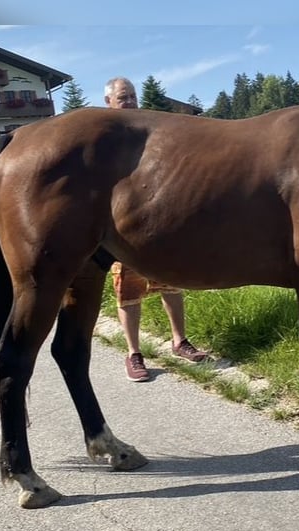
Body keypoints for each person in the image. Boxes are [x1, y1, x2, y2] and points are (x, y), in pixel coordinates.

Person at [104, 76, 208, 382]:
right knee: (128, 292)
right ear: (108, 101)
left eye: (132, 96)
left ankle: (179, 341)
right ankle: (134, 353)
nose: (130, 102)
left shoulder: (147, 130)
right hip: (125, 226)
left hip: (159, 223)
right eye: (123, 97)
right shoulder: (106, 136)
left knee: (171, 284)